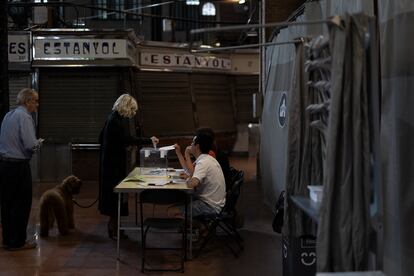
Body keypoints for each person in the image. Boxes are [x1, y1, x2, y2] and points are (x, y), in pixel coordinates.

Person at [98, 94, 158, 240]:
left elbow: (101, 138)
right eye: (132, 109)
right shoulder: (115, 121)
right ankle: (114, 230)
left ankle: (115, 228)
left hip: (109, 165)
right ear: (126, 107)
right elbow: (126, 140)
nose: (133, 113)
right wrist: (147, 140)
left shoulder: (112, 118)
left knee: (115, 199)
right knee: (115, 199)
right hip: (113, 167)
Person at [0, 88, 43, 251]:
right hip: (18, 166)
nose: (37, 105)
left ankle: (7, 240)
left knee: (7, 204)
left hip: (4, 165)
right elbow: (29, 145)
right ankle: (17, 242)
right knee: (21, 204)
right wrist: (38, 144)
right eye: (35, 101)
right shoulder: (25, 117)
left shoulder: (8, 115)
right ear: (28, 101)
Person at [179, 132, 226, 217]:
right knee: (183, 202)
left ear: (197, 147)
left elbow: (192, 184)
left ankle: (202, 228)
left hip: (209, 206)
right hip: (215, 203)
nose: (190, 145)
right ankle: (199, 227)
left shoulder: (203, 162)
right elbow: (193, 176)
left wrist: (184, 181)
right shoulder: (208, 159)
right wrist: (189, 177)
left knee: (174, 212)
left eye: (192, 143)